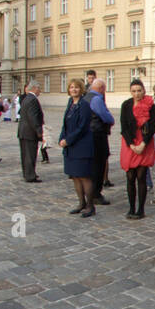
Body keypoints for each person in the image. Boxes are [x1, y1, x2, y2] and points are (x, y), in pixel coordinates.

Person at [59, 77, 104, 217]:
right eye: (72, 87)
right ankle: (81, 203)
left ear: (81, 89)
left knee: (84, 177)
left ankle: (90, 206)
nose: (74, 89)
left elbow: (82, 127)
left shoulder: (84, 105)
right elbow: (65, 123)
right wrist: (61, 138)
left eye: (76, 87)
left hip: (81, 145)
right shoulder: (70, 103)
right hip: (70, 146)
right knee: (75, 176)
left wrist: (68, 140)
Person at [119, 81, 155, 219]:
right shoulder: (126, 105)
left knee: (141, 176)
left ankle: (140, 209)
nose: (137, 94)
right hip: (130, 143)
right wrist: (131, 144)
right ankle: (131, 207)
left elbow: (153, 125)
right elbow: (124, 127)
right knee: (130, 177)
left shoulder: (151, 105)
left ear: (144, 90)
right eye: (134, 91)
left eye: (139, 90)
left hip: (144, 143)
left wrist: (143, 144)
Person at [85, 74, 115, 207]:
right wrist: (111, 119)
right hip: (98, 134)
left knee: (93, 165)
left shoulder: (86, 97)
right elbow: (106, 117)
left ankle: (92, 192)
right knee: (99, 164)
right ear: (102, 88)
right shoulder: (96, 99)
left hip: (90, 134)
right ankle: (96, 194)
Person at [15, 80, 45, 184]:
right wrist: (39, 131)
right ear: (35, 88)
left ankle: (27, 173)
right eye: (39, 88)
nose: (40, 91)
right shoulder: (33, 99)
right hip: (29, 132)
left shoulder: (26, 98)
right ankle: (30, 175)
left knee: (25, 155)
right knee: (30, 155)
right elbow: (33, 117)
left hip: (23, 131)